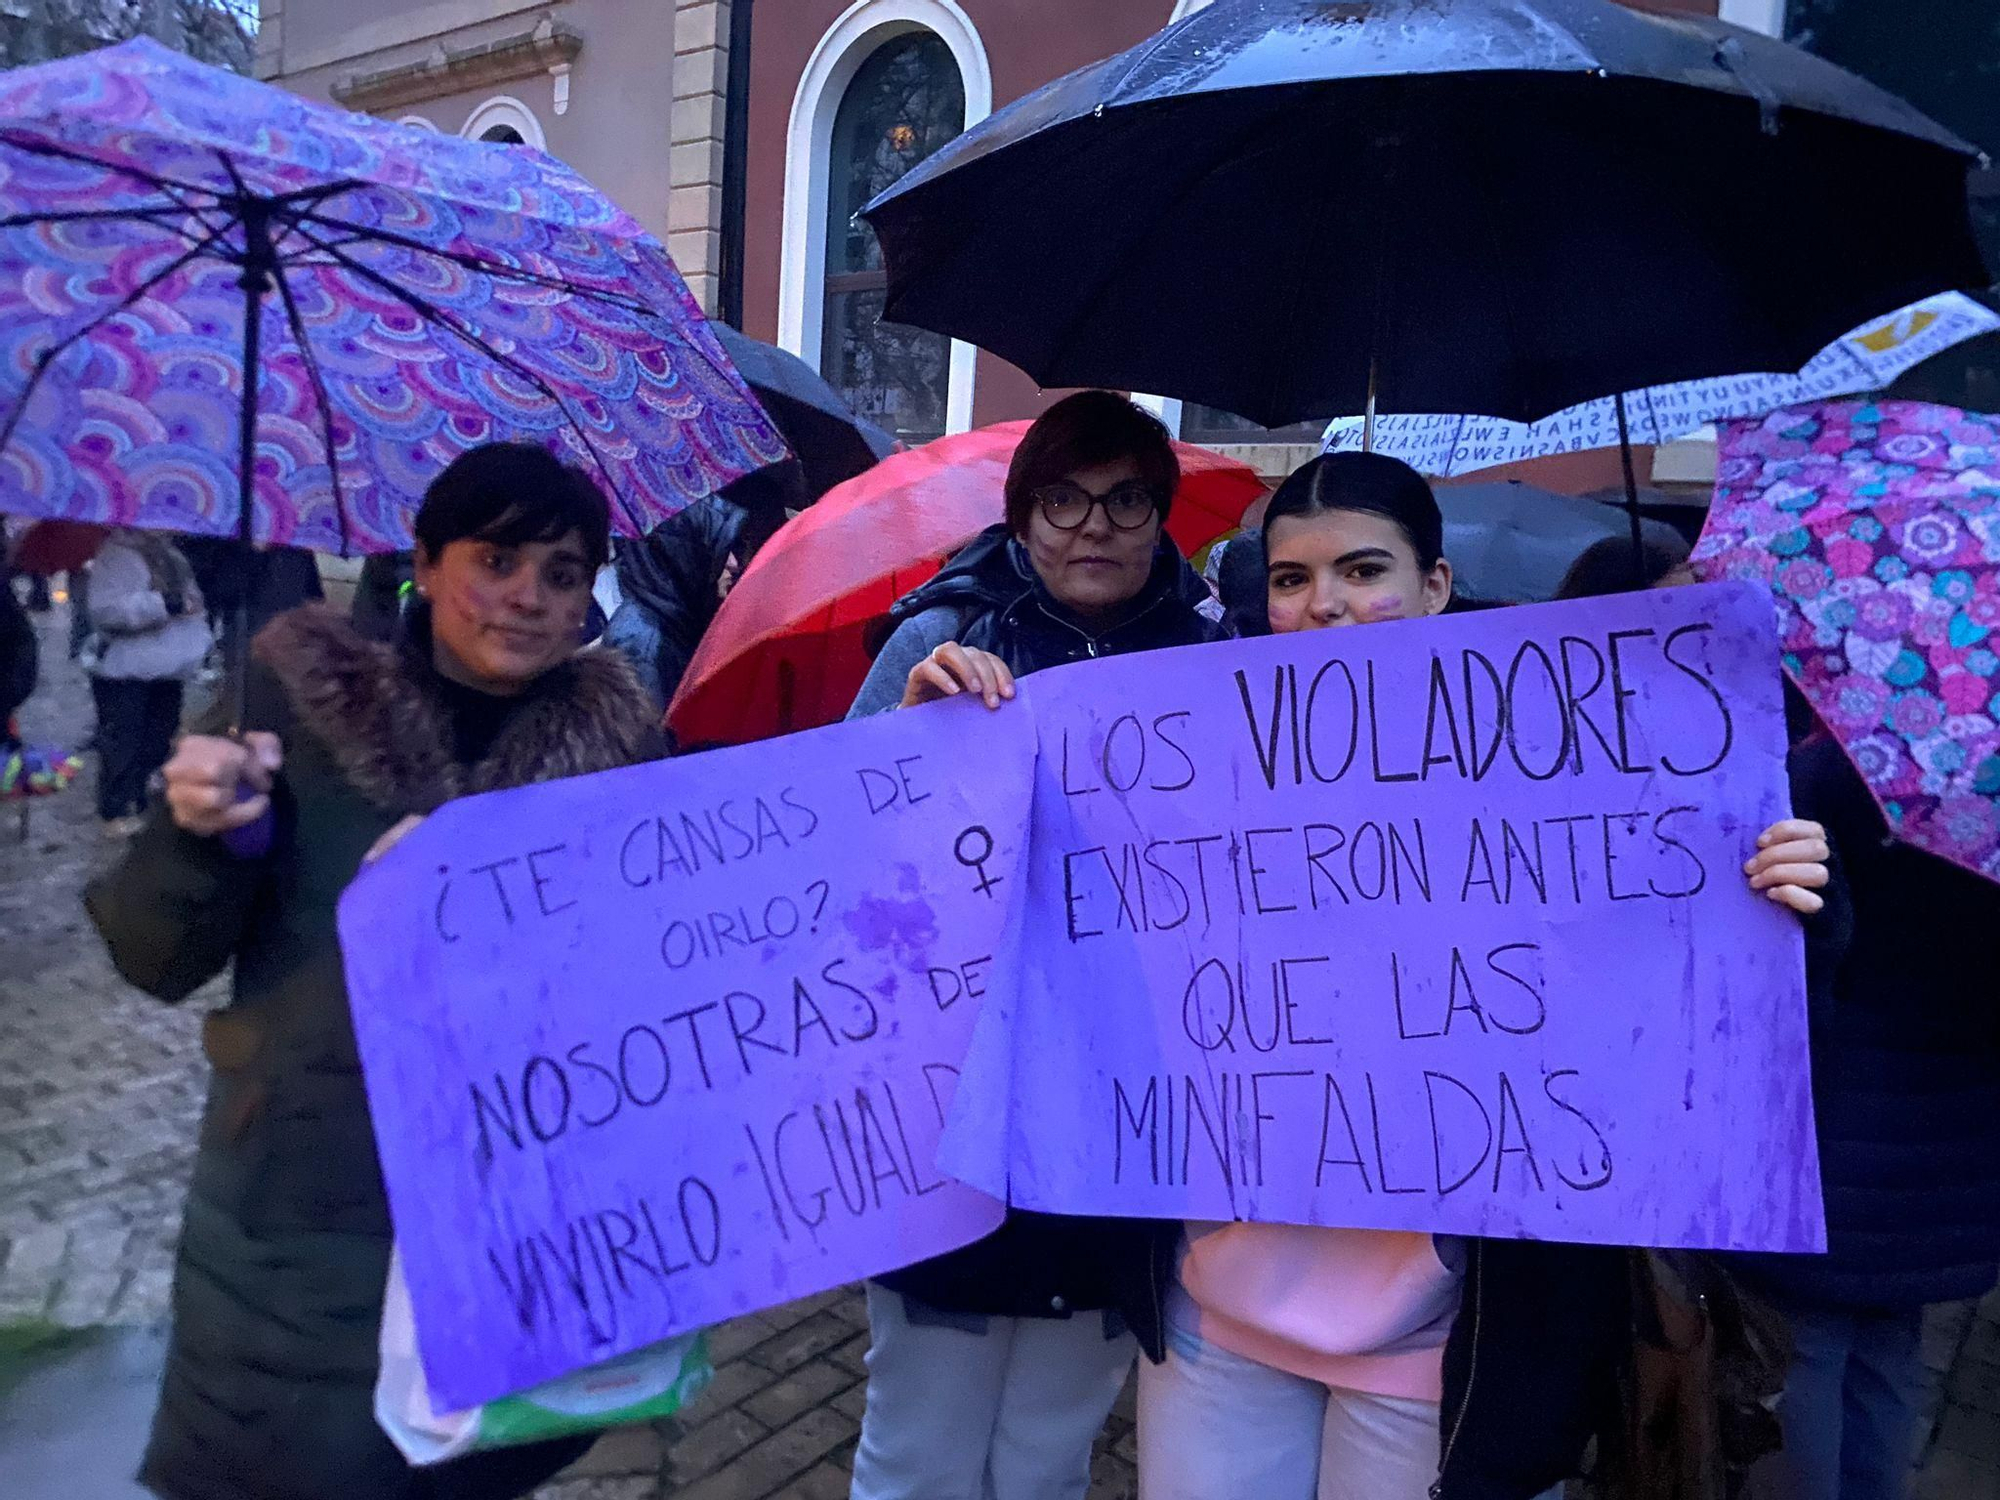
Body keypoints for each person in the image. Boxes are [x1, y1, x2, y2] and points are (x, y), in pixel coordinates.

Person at [1136, 452, 1836, 1500]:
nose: (1324, 604)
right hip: (1217, 1311)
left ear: (1433, 586)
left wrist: (1785, 901)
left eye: (1363, 570)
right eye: (1289, 578)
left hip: (1438, 1335)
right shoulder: (1185, 758)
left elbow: (1705, 1011)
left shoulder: (1562, 772)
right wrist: (962, 737)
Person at [85, 442, 663, 1500]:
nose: (528, 598)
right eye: (496, 560)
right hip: (307, 1232)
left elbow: (659, 974)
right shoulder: (290, 710)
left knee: (474, 1477)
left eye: (563, 573)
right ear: (426, 564)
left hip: (513, 1233)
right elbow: (151, 956)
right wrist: (200, 835)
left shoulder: (621, 757)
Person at [843, 390, 1223, 1500]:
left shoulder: (1217, 658)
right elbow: (840, 858)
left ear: (1159, 516)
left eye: (1124, 500)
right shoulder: (940, 640)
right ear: (1020, 518)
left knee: (1048, 1451)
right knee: (917, 1446)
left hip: (1119, 1109)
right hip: (955, 1095)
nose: (1093, 525)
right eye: (1062, 499)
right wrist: (906, 744)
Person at [604, 459, 807, 714]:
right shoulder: (644, 645)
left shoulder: (686, 617)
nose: (736, 563)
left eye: (743, 545)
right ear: (685, 552)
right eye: (724, 547)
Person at [84, 528, 212, 834]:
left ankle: (142, 801)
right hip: (125, 670)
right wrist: (165, 604)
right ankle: (115, 809)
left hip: (169, 667)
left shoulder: (172, 556)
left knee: (159, 736)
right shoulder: (116, 555)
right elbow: (105, 610)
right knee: (124, 741)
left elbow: (192, 600)